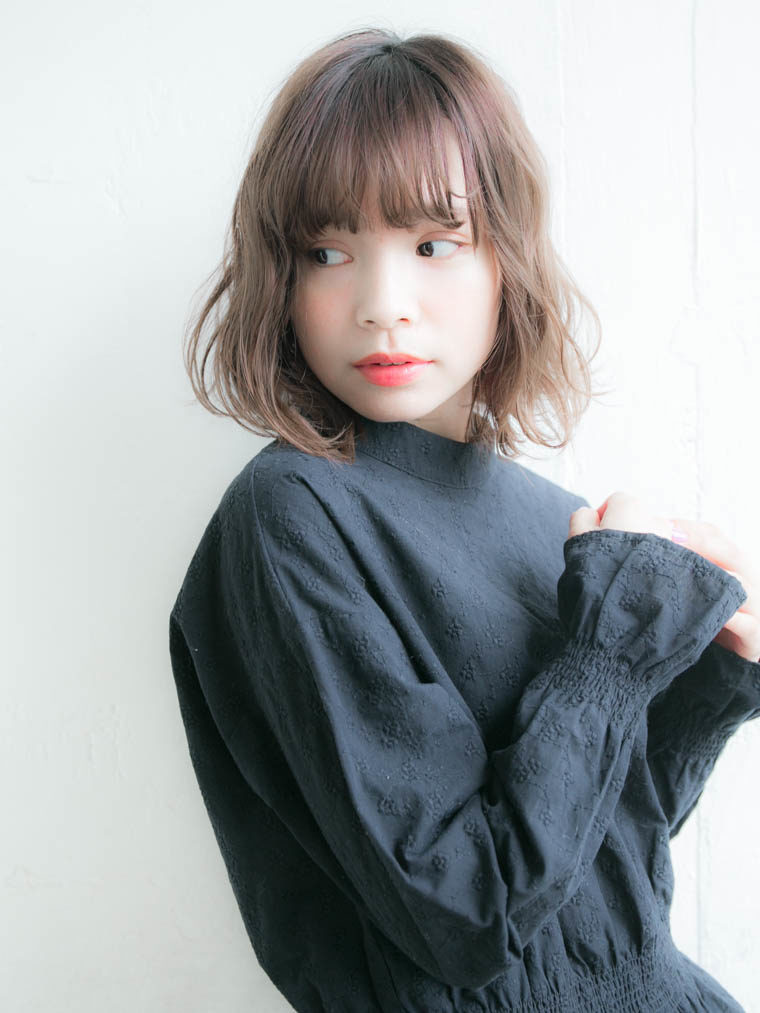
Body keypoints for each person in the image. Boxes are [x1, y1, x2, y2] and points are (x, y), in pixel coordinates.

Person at [168, 26, 760, 1012]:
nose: (381, 303)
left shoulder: (553, 515)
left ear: (504, 259)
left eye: (433, 243)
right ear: (283, 277)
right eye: (327, 251)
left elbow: (606, 864)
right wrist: (610, 652)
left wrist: (714, 681)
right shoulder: (293, 513)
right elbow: (468, 913)